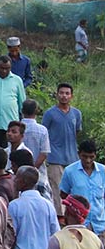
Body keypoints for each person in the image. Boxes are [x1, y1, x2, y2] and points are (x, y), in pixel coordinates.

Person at [43, 82, 83, 216]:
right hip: (55, 157)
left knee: (74, 189)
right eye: (61, 93)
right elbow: (45, 133)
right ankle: (60, 218)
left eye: (67, 93)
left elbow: (76, 131)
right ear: (57, 94)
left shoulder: (76, 114)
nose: (64, 96)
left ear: (71, 96)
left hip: (72, 158)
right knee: (57, 189)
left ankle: (74, 215)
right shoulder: (50, 114)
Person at [60, 140, 105, 242]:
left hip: (100, 224)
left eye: (91, 157)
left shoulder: (103, 171)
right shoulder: (70, 171)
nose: (88, 160)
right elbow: (63, 194)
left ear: (95, 156)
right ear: (79, 154)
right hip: (79, 224)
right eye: (84, 156)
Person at [8, 166, 60, 249]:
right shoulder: (48, 205)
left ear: (23, 182)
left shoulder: (14, 206)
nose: (14, 180)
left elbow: (10, 236)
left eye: (17, 177)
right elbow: (56, 233)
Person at [21, 99, 51, 196]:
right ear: (36, 111)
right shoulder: (42, 130)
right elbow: (44, 153)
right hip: (39, 173)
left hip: (18, 171)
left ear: (22, 111)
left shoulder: (15, 128)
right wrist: (33, 168)